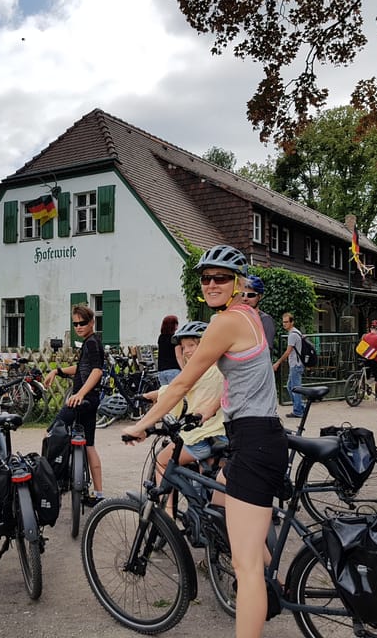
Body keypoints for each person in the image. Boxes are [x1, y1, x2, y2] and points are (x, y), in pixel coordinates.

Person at [122, 244, 286, 638]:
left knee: (244, 567)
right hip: (257, 437)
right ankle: (273, 585)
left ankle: (259, 588)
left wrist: (142, 424)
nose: (212, 284)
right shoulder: (249, 317)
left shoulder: (226, 322)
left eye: (222, 278)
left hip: (254, 443)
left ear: (237, 283)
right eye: (206, 277)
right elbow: (242, 381)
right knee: (222, 506)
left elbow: (181, 382)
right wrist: (211, 409)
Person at [141, 321, 226, 503]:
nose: (186, 351)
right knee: (207, 479)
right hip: (222, 434)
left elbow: (176, 390)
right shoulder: (221, 368)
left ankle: (168, 518)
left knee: (162, 462)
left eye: (192, 345)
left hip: (202, 435)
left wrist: (149, 395)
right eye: (184, 346)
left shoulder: (198, 371)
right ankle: (203, 515)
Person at [44, 304, 105, 504]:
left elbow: (97, 371)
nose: (78, 327)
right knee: (89, 445)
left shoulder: (92, 343)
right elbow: (80, 369)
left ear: (92, 322)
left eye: (83, 323)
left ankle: (52, 483)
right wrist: (57, 371)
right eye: (75, 323)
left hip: (84, 399)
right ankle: (99, 494)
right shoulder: (91, 342)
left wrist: (80, 393)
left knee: (52, 432)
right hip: (90, 400)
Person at [273, 312, 305, 417]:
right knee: (291, 386)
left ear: (292, 322)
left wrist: (277, 362)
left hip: (296, 365)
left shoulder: (292, 335)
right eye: (283, 322)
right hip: (297, 364)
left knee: (295, 388)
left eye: (286, 322)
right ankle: (300, 407)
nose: (284, 324)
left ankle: (298, 411)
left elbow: (288, 351)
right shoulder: (297, 332)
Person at [241, 275, 276, 360]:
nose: (245, 298)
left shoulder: (265, 320)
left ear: (260, 297)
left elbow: (266, 352)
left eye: (251, 295)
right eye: (242, 294)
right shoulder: (238, 318)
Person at [156, 314, 182, 385]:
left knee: (165, 393)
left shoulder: (161, 338)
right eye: (176, 324)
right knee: (177, 393)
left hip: (161, 371)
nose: (177, 326)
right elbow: (178, 356)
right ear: (173, 325)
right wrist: (184, 369)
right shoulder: (175, 338)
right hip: (173, 370)